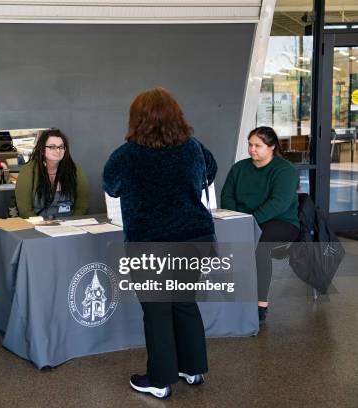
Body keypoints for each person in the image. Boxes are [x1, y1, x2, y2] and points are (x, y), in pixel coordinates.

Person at [103, 87, 216, 400]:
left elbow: (110, 186)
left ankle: (159, 379)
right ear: (175, 115)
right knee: (184, 302)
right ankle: (193, 369)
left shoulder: (126, 155)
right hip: (196, 238)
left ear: (137, 119)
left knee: (156, 311)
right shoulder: (193, 147)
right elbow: (211, 171)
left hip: (150, 244)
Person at [221, 126, 299, 324]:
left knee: (259, 245)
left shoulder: (285, 170)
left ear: (272, 147)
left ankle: (260, 305)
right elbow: (226, 196)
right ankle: (228, 298)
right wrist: (237, 219)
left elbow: (278, 204)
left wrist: (249, 221)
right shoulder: (239, 168)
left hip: (281, 222)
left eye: (258, 145)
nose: (252, 149)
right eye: (250, 144)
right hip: (243, 220)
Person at [15, 128, 89, 218]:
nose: (58, 151)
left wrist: (72, 223)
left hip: (70, 226)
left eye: (61, 147)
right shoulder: (28, 172)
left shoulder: (75, 170)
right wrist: (43, 226)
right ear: (42, 150)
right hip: (38, 227)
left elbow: (82, 207)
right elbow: (25, 211)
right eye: (52, 147)